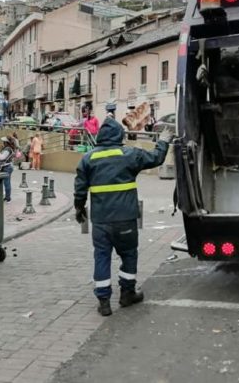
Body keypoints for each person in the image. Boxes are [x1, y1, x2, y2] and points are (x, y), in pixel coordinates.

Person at [73, 118, 172, 317]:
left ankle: (104, 302)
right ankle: (127, 294)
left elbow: (80, 188)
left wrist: (79, 208)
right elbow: (156, 158)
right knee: (128, 254)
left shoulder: (88, 159)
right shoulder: (130, 154)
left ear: (100, 136)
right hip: (126, 218)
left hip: (101, 220)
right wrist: (163, 140)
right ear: (120, 136)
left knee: (101, 256)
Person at [0, 136, 16, 202]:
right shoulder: (9, 148)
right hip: (8, 166)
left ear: (6, 142)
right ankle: (7, 197)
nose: (3, 143)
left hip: (6, 167)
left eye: (4, 142)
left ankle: (8, 198)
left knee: (6, 183)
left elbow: (2, 157)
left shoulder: (7, 149)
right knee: (7, 183)